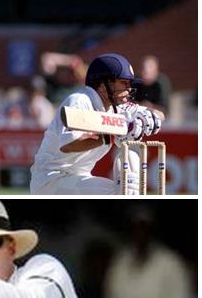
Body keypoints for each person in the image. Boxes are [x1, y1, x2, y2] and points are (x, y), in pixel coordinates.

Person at [30, 53, 165, 195]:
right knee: (120, 192)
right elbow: (68, 145)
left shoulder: (116, 107)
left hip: (78, 177)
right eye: (123, 82)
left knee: (131, 162)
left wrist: (148, 118)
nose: (128, 88)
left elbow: (160, 114)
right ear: (103, 85)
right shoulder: (79, 101)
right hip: (51, 179)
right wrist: (112, 136)